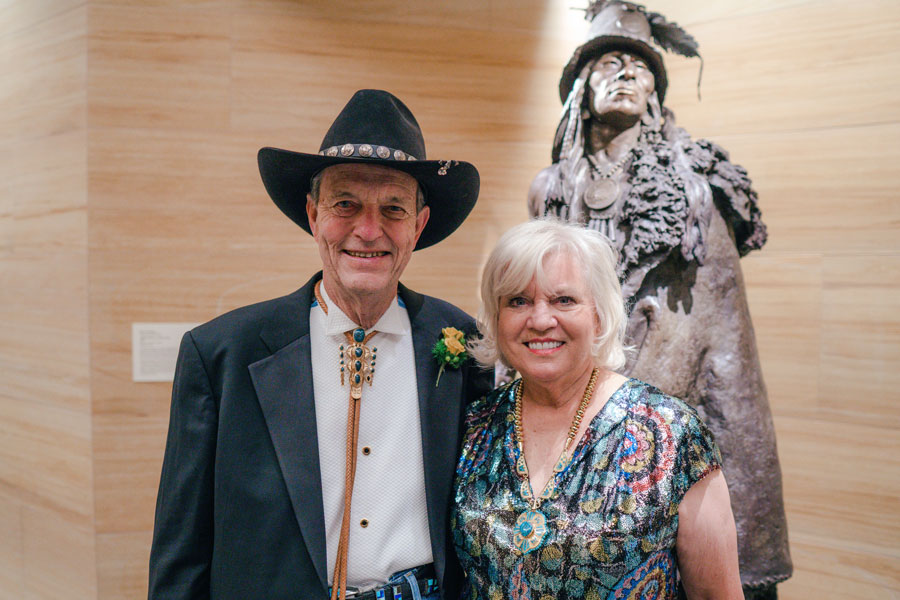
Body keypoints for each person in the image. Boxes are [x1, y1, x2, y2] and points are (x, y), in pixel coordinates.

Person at [148, 89, 494, 600]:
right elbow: (182, 554)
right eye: (345, 204)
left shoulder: (465, 346)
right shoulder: (222, 354)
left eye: (393, 208)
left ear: (418, 226)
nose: (368, 229)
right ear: (313, 215)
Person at [528, 3, 791, 596]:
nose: (624, 74)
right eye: (608, 63)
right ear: (579, 88)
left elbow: (722, 337)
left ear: (654, 90)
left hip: (665, 420)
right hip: (566, 420)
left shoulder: (694, 189)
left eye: (638, 66)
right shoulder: (551, 188)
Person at [452, 219, 744, 599]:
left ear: (599, 313)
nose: (540, 320)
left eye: (564, 300)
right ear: (497, 316)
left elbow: (716, 594)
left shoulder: (671, 433)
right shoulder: (475, 425)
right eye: (517, 301)